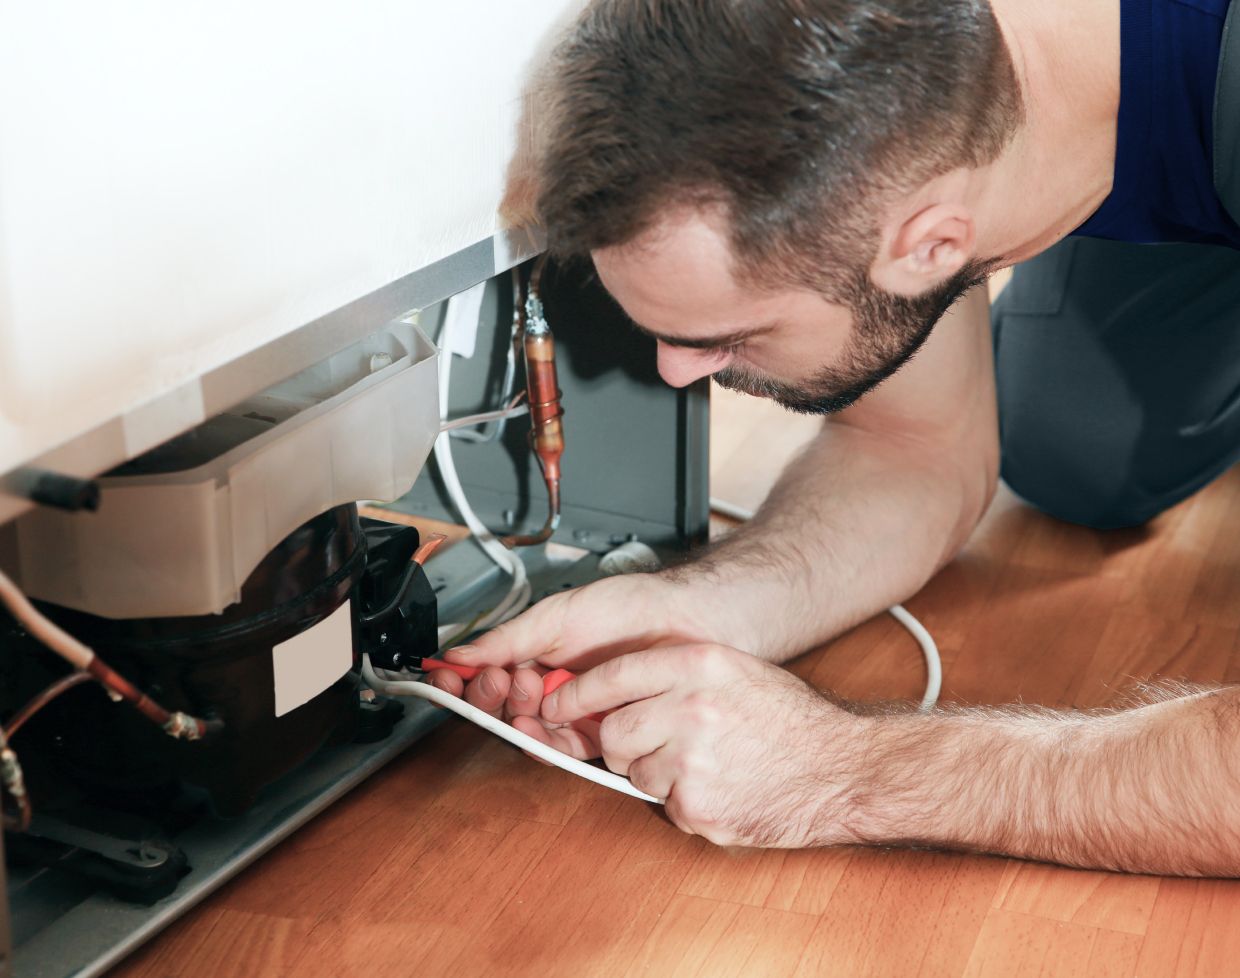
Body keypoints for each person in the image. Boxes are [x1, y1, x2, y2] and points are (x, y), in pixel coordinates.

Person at [430, 0, 1240, 875]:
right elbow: (913, 450)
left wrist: (835, 768)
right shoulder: (904, 79)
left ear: (931, 246)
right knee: (1083, 452)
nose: (673, 373)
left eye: (725, 335)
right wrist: (693, 611)